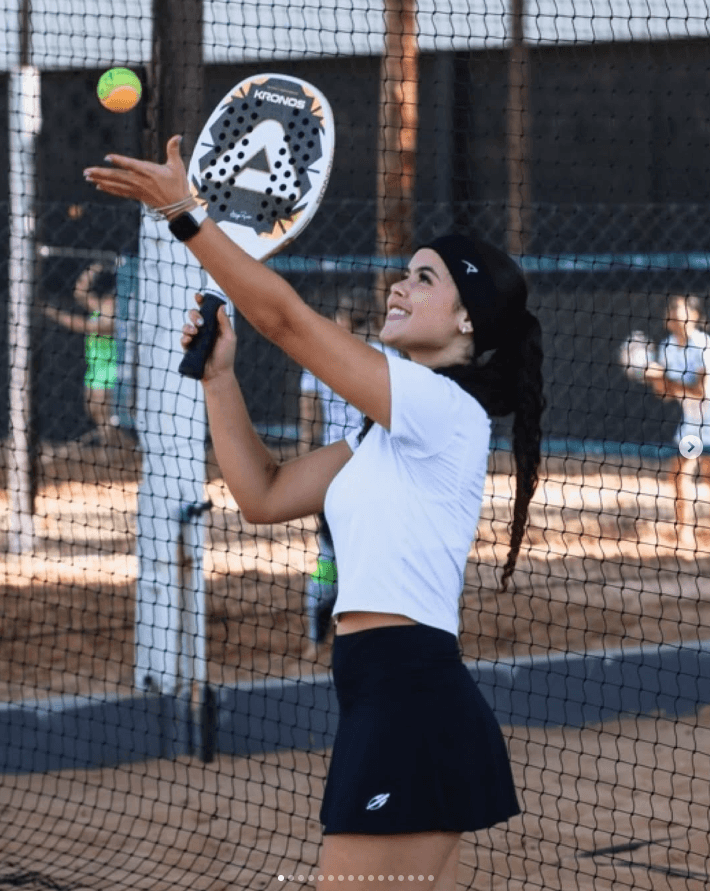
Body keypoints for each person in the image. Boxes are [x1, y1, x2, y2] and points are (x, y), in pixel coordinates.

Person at [84, 136, 545, 891]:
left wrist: (186, 216)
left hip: (410, 697)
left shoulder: (446, 409)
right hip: (381, 691)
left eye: (424, 278)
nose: (399, 285)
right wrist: (220, 380)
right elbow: (262, 495)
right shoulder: (378, 438)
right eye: (405, 271)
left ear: (468, 322)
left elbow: (288, 322)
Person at [298, 290, 394, 657]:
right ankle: (370, 634)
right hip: (379, 473)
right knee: (376, 555)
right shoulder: (390, 359)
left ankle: (315, 640)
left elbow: (309, 420)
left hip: (333, 473)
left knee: (328, 558)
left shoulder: (320, 356)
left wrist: (307, 472)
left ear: (341, 319)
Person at [643, 293, 710, 550]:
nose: (672, 313)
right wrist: (650, 376)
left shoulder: (704, 345)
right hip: (692, 426)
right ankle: (684, 535)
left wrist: (662, 376)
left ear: (694, 316)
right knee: (679, 474)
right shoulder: (667, 346)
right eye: (670, 309)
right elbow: (665, 395)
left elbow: (699, 390)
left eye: (679, 309)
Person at [42, 262, 120, 448]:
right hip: (94, 371)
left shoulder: (112, 320)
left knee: (104, 415)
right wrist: (92, 270)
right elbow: (80, 293)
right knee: (93, 411)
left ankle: (113, 450)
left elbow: (82, 325)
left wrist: (54, 313)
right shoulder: (102, 309)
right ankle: (116, 448)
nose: (108, 301)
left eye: (112, 299)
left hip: (109, 373)